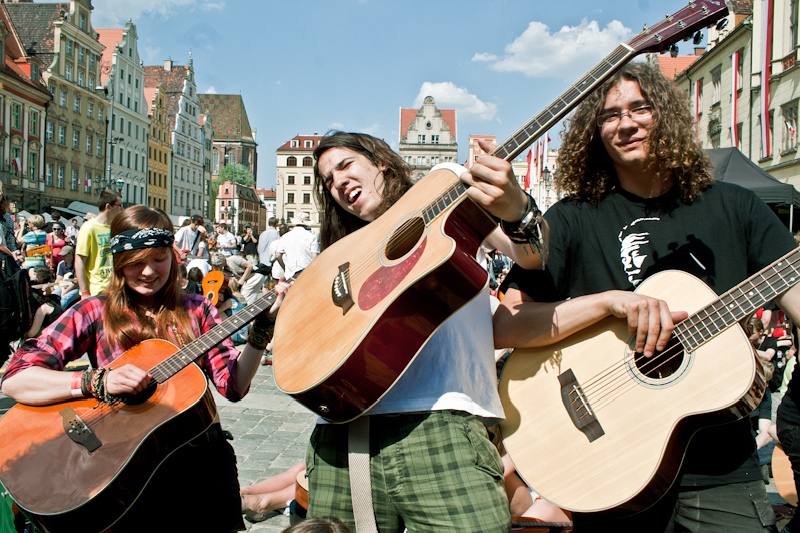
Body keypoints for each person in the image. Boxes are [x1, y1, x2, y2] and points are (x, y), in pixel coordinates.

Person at [493, 62, 800, 531]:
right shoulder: (572, 219)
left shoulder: (736, 206)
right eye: (610, 115)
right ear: (595, 134)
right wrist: (608, 302)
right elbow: (506, 323)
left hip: (721, 472)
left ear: (668, 116)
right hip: (608, 469)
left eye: (640, 107)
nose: (627, 123)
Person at [294, 131, 543, 532]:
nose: (337, 182)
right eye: (327, 180)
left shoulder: (443, 185)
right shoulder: (343, 252)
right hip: (344, 432)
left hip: (441, 420)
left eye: (345, 165)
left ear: (381, 163)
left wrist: (517, 209)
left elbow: (529, 256)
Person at [0, 205, 288, 532]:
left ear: (173, 258)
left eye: (158, 259)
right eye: (136, 261)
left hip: (199, 467)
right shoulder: (96, 311)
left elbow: (232, 385)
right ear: (119, 263)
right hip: (123, 468)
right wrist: (95, 380)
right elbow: (16, 378)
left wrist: (261, 331)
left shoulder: (196, 310)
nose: (149, 271)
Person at [75, 189, 123, 298]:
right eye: (119, 205)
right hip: (97, 290)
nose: (122, 209)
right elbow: (80, 261)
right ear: (108, 207)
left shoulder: (117, 227)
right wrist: (84, 292)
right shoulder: (89, 228)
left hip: (117, 288)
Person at [274, 213, 319, 280]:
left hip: (290, 274)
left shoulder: (285, 236)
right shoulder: (311, 237)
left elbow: (278, 255)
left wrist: (285, 267)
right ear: (306, 225)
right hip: (306, 273)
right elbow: (314, 256)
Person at [53, 245, 79, 309]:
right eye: (62, 255)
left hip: (76, 287)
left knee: (65, 298)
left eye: (64, 255)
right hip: (63, 286)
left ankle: (59, 314)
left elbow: (76, 282)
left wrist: (66, 291)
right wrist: (62, 289)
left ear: (71, 254)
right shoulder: (61, 264)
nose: (62, 257)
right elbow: (59, 279)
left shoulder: (77, 264)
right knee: (54, 294)